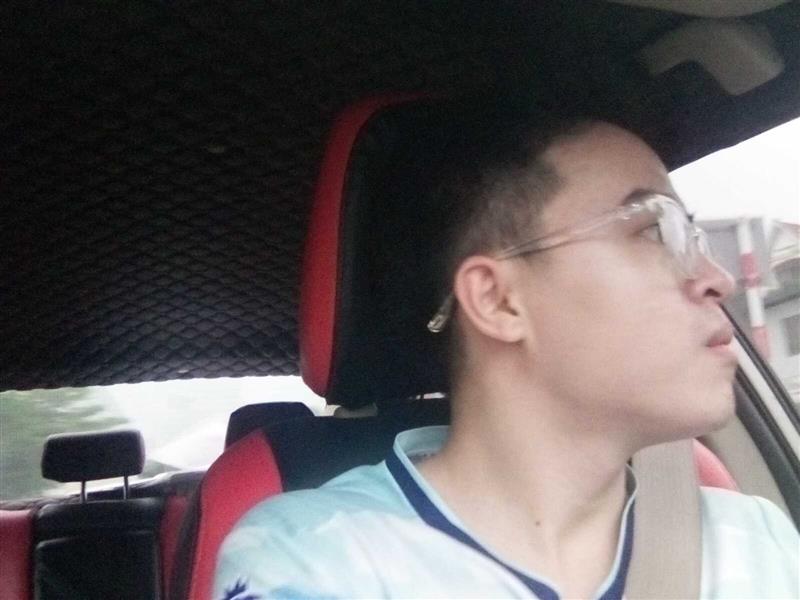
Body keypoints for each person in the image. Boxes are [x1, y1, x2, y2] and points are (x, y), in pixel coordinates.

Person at [214, 112, 799, 599]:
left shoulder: (757, 540)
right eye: (652, 229)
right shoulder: (316, 557)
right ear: (498, 300)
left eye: (692, 237)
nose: (717, 278)